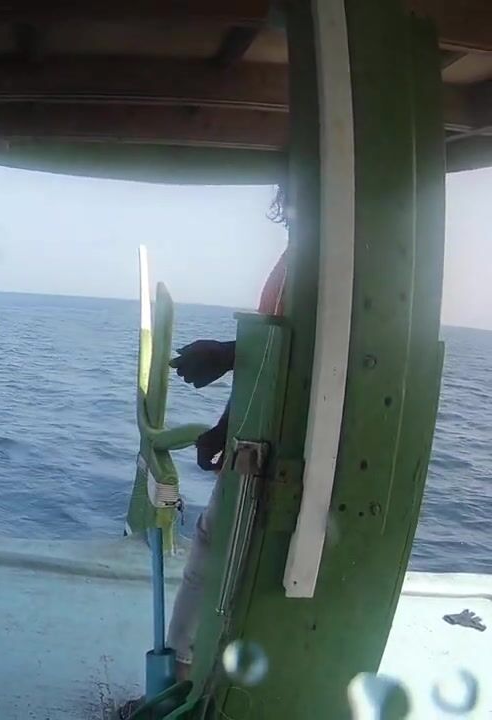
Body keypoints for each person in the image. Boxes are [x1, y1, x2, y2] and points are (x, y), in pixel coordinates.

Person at [166, 186, 290, 679]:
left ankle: (181, 683)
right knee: (217, 557)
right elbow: (275, 353)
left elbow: (305, 349)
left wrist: (228, 353)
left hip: (278, 454)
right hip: (254, 442)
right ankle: (186, 679)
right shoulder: (299, 259)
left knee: (216, 560)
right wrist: (223, 428)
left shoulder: (314, 262)